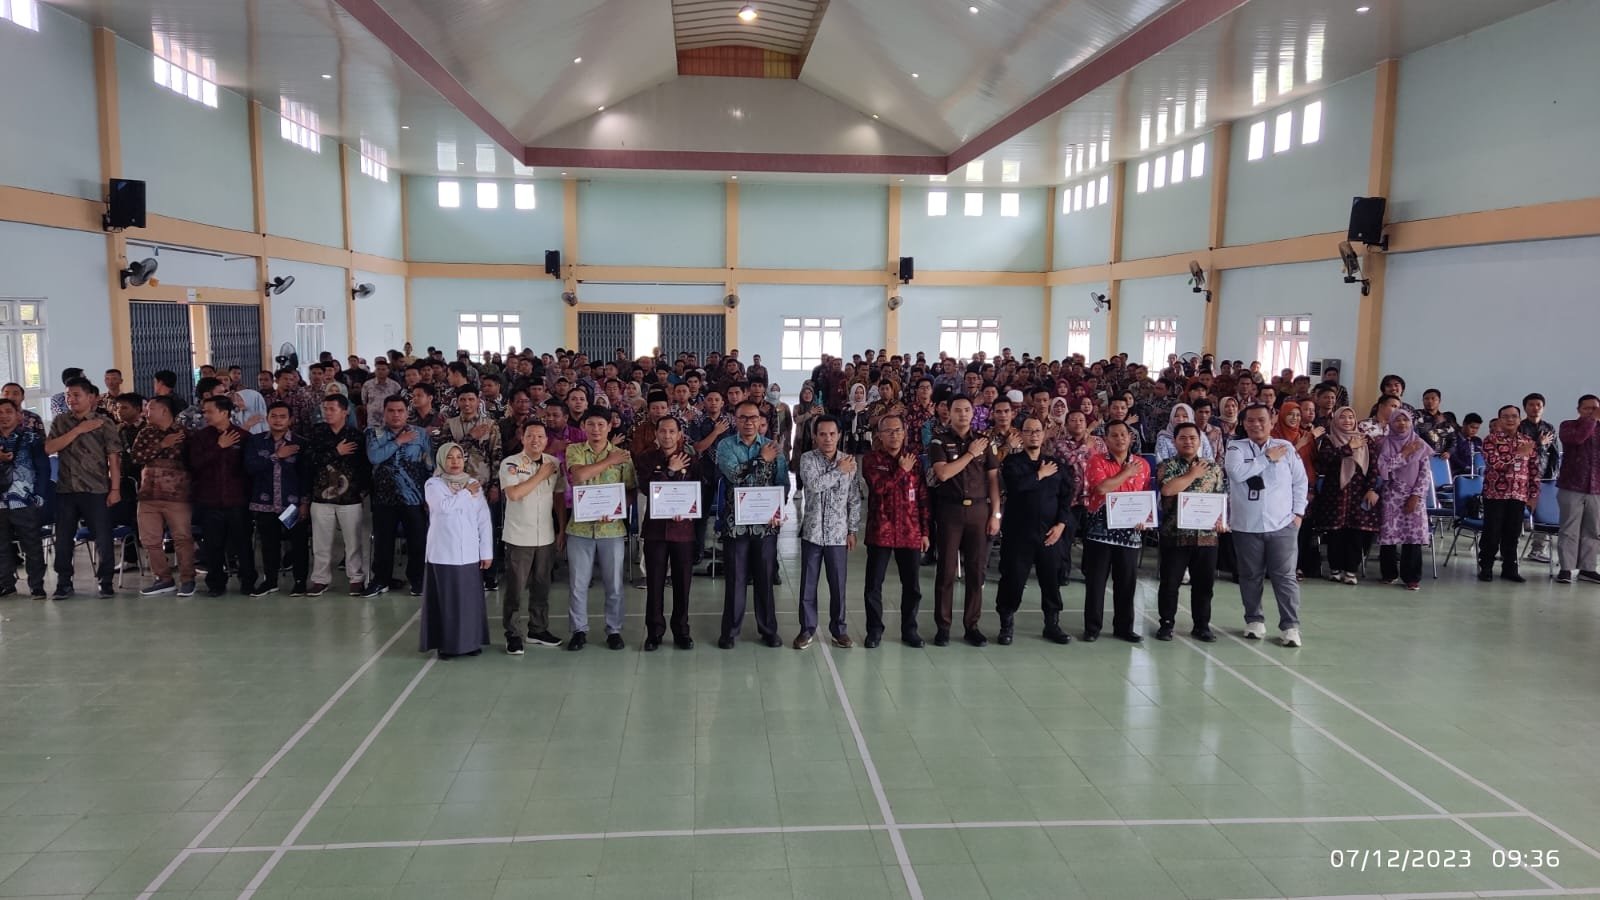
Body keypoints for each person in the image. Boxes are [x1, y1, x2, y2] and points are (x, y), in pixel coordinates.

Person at [1225, 404, 1309, 647]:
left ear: (1272, 422)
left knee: (1285, 577)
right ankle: (1254, 620)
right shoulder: (1236, 447)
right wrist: (1266, 458)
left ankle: (1290, 626)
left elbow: (1300, 482)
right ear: (1244, 424)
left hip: (1282, 525)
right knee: (1250, 575)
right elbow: (1237, 473)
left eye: (1261, 419)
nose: (1256, 424)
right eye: (1250, 420)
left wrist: (1298, 514)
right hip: (1245, 525)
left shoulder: (1286, 448)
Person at [927, 396, 1001, 647]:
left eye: (967, 410)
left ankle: (972, 626)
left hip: (979, 511)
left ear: (973, 413)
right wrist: (970, 454)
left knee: (976, 571)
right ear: (949, 413)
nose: (962, 414)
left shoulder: (984, 441)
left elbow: (993, 480)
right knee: (946, 571)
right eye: (957, 410)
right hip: (950, 511)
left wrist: (996, 514)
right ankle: (943, 626)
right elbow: (943, 473)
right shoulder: (939, 440)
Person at [995, 416, 1075, 646]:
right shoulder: (1012, 463)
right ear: (1021, 434)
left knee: (1051, 581)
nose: (1034, 435)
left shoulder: (1055, 465)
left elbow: (1066, 497)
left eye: (1038, 431)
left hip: (1049, 534)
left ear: (1043, 434)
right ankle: (1006, 625)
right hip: (1018, 534)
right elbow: (1016, 487)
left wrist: (1061, 524)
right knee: (1013, 580)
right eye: (1029, 431)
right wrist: (1039, 475)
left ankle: (1052, 624)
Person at [715, 400, 788, 649]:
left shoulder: (773, 447)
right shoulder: (725, 446)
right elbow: (735, 477)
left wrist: (778, 511)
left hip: (766, 525)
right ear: (735, 420)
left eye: (753, 417)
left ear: (760, 421)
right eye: (743, 418)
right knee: (735, 580)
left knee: (765, 579)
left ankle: (768, 630)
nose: (748, 422)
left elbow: (782, 483)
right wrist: (762, 459)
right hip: (735, 525)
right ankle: (730, 632)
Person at [564, 408, 636, 651]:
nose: (596, 429)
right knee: (578, 584)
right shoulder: (575, 450)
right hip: (580, 529)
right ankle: (579, 630)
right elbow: (579, 476)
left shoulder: (624, 456)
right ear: (583, 426)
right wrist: (609, 461)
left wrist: (617, 509)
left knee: (614, 584)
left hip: (612, 529)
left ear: (610, 426)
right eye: (591, 424)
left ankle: (614, 630)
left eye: (601, 424)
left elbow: (630, 490)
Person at [44, 378, 122, 599]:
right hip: (66, 489)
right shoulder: (61, 421)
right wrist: (78, 430)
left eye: (76, 395)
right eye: (68, 395)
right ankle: (64, 582)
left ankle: (105, 581)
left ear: (90, 397)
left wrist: (115, 489)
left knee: (103, 537)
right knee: (64, 539)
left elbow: (114, 458)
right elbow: (49, 448)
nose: (71, 399)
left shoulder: (104, 423)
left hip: (95, 489)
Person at [860, 414, 929, 648]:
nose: (894, 435)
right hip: (881, 531)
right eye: (888, 431)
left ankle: (910, 630)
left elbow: (922, 497)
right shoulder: (871, 460)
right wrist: (900, 471)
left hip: (910, 531)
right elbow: (879, 488)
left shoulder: (914, 460)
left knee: (912, 586)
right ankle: (874, 630)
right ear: (879, 435)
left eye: (898, 430)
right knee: (873, 585)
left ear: (904, 432)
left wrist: (925, 532)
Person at [420, 443, 494, 659]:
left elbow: (483, 519)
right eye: (450, 457)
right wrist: (466, 493)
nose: (455, 462)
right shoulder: (433, 484)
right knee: (448, 601)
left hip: (469, 552)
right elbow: (444, 508)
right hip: (443, 553)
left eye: (459, 457)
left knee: (469, 601)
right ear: (442, 460)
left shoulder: (472, 484)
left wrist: (486, 551)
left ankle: (470, 642)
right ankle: (447, 645)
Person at [794, 416, 862, 650]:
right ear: (815, 436)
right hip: (812, 533)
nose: (828, 438)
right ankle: (806, 630)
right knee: (808, 585)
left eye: (832, 434)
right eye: (822, 434)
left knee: (838, 585)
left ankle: (839, 630)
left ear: (839, 435)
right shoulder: (807, 459)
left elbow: (854, 498)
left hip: (838, 535)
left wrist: (852, 529)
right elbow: (814, 485)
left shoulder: (850, 462)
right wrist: (838, 470)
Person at [499, 420, 566, 653]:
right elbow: (514, 494)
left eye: (540, 436)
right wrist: (540, 474)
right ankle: (512, 633)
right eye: (530, 436)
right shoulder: (511, 463)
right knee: (515, 589)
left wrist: (561, 528)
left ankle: (538, 629)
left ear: (546, 440)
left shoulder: (554, 463)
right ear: (523, 438)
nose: (535, 440)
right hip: (519, 536)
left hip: (545, 535)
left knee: (542, 586)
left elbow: (558, 497)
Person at [1156, 421, 1226, 641]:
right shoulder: (1167, 465)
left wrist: (1221, 520)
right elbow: (1167, 490)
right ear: (1175, 441)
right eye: (1183, 438)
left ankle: (1202, 625)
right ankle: (1166, 624)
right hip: (1174, 535)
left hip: (1206, 537)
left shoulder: (1213, 468)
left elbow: (1220, 497)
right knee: (1170, 583)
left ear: (1199, 441)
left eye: (1192, 438)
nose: (1188, 441)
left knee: (1204, 585)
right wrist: (1193, 474)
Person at [1081, 420, 1150, 642]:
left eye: (1123, 434)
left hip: (1130, 532)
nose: (1120, 439)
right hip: (1100, 531)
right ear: (1106, 440)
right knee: (1096, 581)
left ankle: (1124, 627)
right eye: (1114, 435)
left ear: (1130, 438)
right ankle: (1092, 627)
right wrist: (1126, 473)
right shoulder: (1097, 460)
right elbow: (1101, 488)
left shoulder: (1142, 464)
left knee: (1126, 582)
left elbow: (1145, 496)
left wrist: (1145, 518)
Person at [634, 415, 699, 651]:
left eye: (672, 431)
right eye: (663, 431)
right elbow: (646, 488)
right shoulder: (646, 459)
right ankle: (654, 632)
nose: (667, 436)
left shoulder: (691, 459)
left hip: (683, 531)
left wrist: (690, 511)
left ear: (680, 434)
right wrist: (670, 471)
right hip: (656, 531)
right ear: (656, 434)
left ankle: (682, 631)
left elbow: (699, 490)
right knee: (655, 583)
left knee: (682, 584)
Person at [188, 395, 257, 598]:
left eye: (210, 411)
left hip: (237, 501)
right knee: (213, 545)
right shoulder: (200, 438)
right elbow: (194, 465)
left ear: (225, 412)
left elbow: (249, 470)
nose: (205, 415)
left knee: (243, 544)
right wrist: (218, 447)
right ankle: (216, 583)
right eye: (204, 411)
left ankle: (248, 582)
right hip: (209, 501)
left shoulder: (243, 437)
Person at [130, 395, 197, 596]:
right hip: (148, 496)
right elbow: (136, 457)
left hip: (177, 497)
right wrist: (162, 445)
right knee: (150, 540)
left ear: (164, 410)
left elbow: (195, 462)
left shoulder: (185, 433)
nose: (146, 412)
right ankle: (163, 578)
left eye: (150, 408)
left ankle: (188, 579)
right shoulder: (145, 432)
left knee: (182, 538)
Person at [304, 394, 370, 596]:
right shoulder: (317, 432)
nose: (328, 413)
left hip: (350, 497)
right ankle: (320, 579)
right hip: (321, 495)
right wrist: (335, 452)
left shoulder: (356, 435)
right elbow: (309, 461)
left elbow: (364, 465)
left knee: (353, 541)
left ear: (345, 411)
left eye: (332, 409)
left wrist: (362, 490)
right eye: (325, 409)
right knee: (321, 541)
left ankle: (356, 577)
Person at [366, 396, 432, 597]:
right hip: (383, 498)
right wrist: (398, 441)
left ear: (407, 412)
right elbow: (374, 457)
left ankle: (417, 579)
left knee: (417, 541)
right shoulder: (374, 433)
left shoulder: (420, 434)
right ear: (384, 412)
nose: (396, 415)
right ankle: (381, 580)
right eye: (391, 411)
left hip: (414, 497)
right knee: (383, 542)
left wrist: (430, 496)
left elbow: (429, 465)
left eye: (400, 411)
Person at [1309, 407, 1381, 585]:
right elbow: (1325, 461)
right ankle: (1335, 569)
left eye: (1350, 417)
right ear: (1335, 420)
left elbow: (1373, 467)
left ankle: (1350, 571)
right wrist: (1349, 448)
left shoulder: (1366, 440)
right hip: (1335, 495)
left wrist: (1371, 489)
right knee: (1335, 534)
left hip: (1360, 493)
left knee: (1356, 534)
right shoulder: (1329, 440)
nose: (1347, 420)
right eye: (1342, 417)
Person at [245, 402, 309, 597]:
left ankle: (300, 582)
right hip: (265, 502)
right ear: (267, 418)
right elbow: (250, 467)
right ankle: (270, 581)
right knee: (268, 544)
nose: (278, 420)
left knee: (298, 543)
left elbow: (306, 475)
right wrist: (276, 456)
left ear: (290, 420)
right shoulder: (256, 441)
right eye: (274, 416)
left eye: (283, 416)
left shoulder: (300, 443)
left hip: (292, 504)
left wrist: (304, 502)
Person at [1480, 405, 1539, 583]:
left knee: (1512, 534)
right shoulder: (1491, 440)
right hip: (1495, 494)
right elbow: (1495, 464)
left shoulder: (1527, 441)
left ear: (1519, 419)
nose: (1510, 419)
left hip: (1519, 494)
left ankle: (1510, 569)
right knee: (1492, 533)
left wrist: (1533, 495)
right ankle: (1486, 568)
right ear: (1499, 420)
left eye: (1514, 416)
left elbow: (1534, 470)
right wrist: (1518, 455)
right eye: (1505, 416)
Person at [1375, 410, 1431, 590]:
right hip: (1391, 494)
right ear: (1391, 423)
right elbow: (1384, 469)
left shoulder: (1419, 444)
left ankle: (1411, 577)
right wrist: (1405, 453)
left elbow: (1425, 474)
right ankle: (1388, 574)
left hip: (1414, 495)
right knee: (1389, 535)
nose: (1402, 424)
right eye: (1397, 420)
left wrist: (1416, 496)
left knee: (1412, 537)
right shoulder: (1384, 443)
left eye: (1405, 420)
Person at [0, 399, 48, 600]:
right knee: (1, 547)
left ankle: (36, 586)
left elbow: (43, 469)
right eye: (0, 412)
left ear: (18, 415)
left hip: (24, 499)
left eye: (8, 411)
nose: (3, 416)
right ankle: (6, 584)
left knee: (32, 545)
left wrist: (40, 495)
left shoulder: (31, 438)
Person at [1272, 398, 1321, 580]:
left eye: (1298, 415)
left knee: (1302, 530)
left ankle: (1297, 566)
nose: (1295, 418)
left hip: (1303, 489)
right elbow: (1277, 461)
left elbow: (1313, 462)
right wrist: (1299, 445)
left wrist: (1311, 488)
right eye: (1291, 414)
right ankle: (1278, 566)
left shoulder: (1306, 435)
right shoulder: (1274, 435)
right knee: (1281, 530)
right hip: (1280, 491)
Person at [1555, 394, 1600, 584]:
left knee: (1593, 530)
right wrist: (1592, 420)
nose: (1591, 412)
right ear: (1578, 410)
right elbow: (1578, 439)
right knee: (1569, 529)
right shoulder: (1568, 426)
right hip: (1571, 486)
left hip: (1596, 488)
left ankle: (1588, 569)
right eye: (1587, 408)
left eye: (1595, 408)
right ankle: (1566, 568)